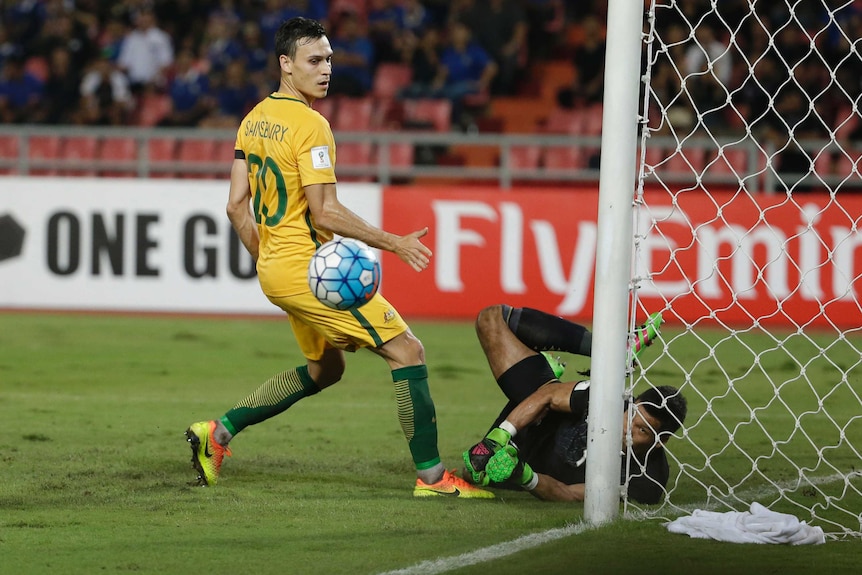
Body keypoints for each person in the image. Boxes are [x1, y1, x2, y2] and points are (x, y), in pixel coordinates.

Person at [184, 16, 492, 500]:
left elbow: (234, 205)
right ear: (286, 65)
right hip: (309, 270)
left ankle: (217, 434)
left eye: (329, 59)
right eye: (314, 60)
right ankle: (433, 480)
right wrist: (393, 242)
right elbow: (324, 208)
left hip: (279, 269)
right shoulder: (311, 125)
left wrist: (268, 262)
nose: (326, 69)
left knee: (326, 370)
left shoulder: (253, 118)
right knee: (407, 350)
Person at [462, 304, 687, 505]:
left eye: (642, 430)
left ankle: (555, 367)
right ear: (633, 402)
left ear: (661, 441)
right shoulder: (609, 400)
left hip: (525, 465)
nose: (627, 428)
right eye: (631, 415)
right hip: (531, 415)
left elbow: (568, 493)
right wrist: (499, 437)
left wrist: (522, 474)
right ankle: (613, 350)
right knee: (491, 318)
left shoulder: (647, 482)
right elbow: (548, 395)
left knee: (471, 472)